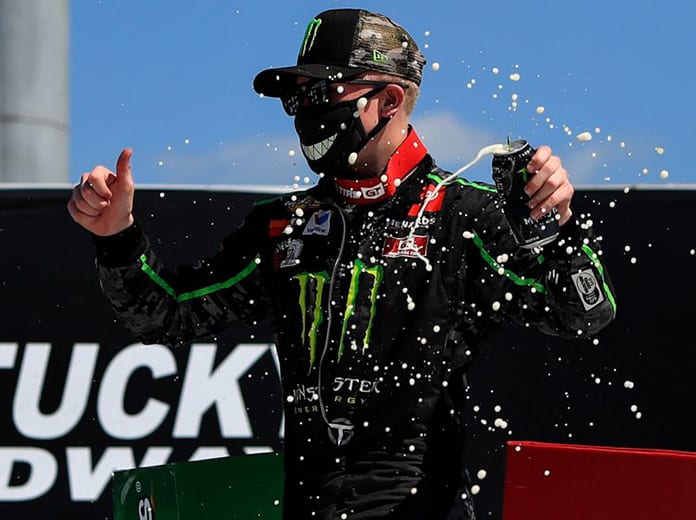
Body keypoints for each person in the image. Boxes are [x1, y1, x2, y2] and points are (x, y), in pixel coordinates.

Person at [68, 8, 617, 520]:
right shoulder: (283, 224)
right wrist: (116, 236)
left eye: (324, 91)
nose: (308, 109)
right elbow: (165, 313)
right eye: (299, 96)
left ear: (391, 98)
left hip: (419, 505)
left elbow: (585, 313)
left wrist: (558, 228)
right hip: (310, 502)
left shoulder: (463, 213)